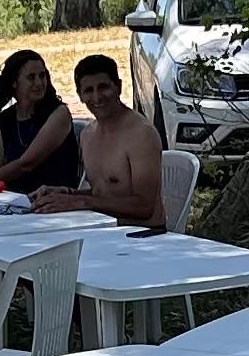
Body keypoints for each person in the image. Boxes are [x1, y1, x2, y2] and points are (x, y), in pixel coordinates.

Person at [31, 54, 162, 227]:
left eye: (103, 87)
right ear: (79, 95)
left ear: (119, 87)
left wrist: (82, 202)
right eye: (88, 91)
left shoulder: (141, 134)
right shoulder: (87, 135)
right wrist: (66, 194)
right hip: (100, 230)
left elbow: (145, 207)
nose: (97, 97)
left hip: (144, 235)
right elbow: (106, 192)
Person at [0, 47, 85, 197]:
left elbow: (26, 163)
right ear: (14, 83)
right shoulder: (6, 119)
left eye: (42, 76)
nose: (39, 83)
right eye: (31, 77)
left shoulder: (58, 114)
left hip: (52, 201)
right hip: (15, 199)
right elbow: (2, 167)